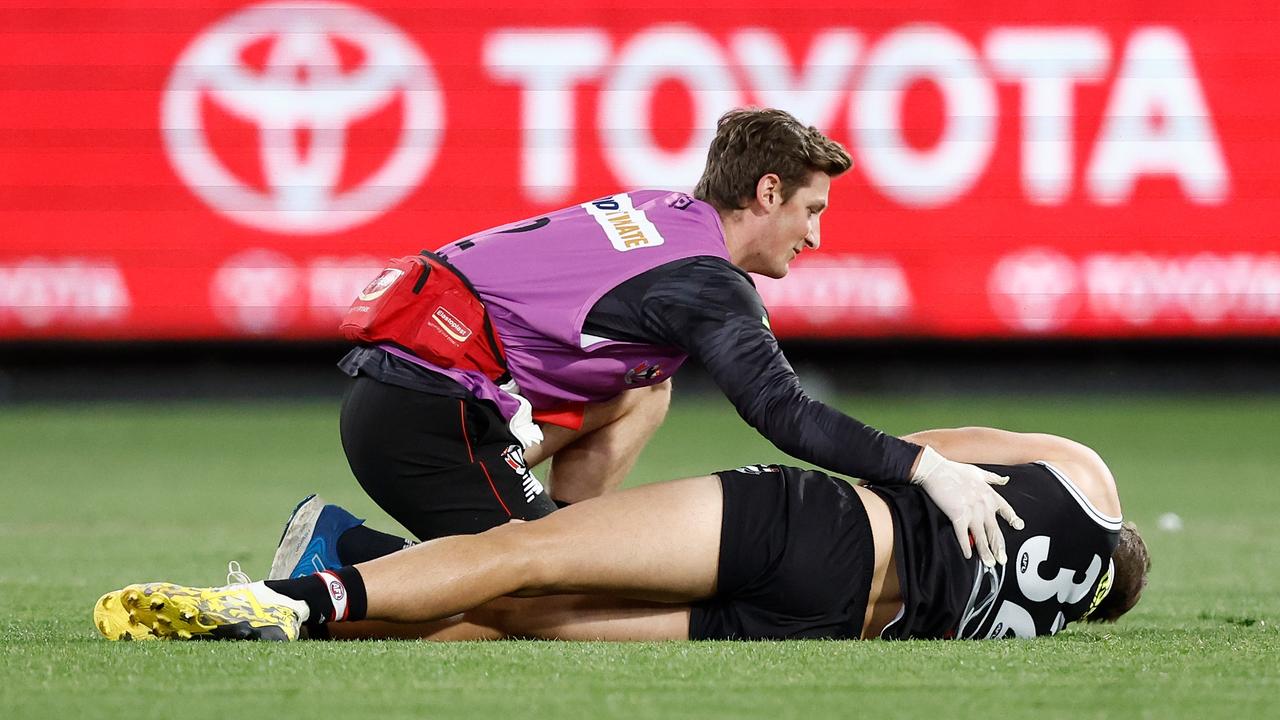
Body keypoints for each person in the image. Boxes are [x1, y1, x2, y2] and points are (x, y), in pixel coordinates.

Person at [296, 107, 1021, 579]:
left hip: (412, 393)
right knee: (541, 592)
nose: (817, 236)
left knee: (645, 384)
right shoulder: (703, 281)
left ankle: (568, 534)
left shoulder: (663, 211)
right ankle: (344, 558)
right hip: (431, 416)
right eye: (811, 209)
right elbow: (783, 412)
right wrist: (925, 468)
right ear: (767, 193)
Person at [93, 427, 1148, 643]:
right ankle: (298, 612)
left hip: (817, 529)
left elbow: (907, 449)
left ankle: (331, 565)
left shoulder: (1084, 474)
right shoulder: (1035, 633)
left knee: (530, 552)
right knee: (528, 624)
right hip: (814, 628)